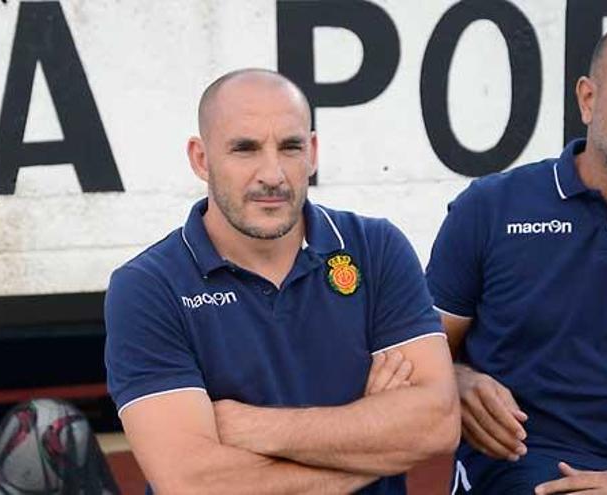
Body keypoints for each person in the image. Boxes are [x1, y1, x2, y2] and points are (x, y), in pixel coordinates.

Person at [104, 68, 459, 494]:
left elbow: (436, 424)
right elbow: (194, 483)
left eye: (290, 147)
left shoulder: (375, 248)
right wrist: (376, 442)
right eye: (245, 149)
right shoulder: (147, 287)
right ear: (201, 159)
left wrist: (255, 427)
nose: (272, 174)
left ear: (311, 151)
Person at [425, 17, 607, 494]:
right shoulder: (492, 207)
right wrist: (455, 382)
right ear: (587, 98)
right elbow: (418, 356)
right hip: (523, 472)